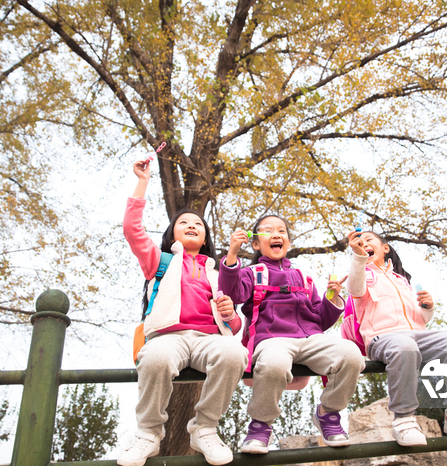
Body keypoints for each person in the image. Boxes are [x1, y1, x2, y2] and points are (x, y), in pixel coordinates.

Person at [118, 158, 248, 466]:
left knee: (233, 353)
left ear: (204, 238)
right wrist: (142, 181)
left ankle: (204, 428)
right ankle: (149, 433)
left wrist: (229, 314)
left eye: (198, 225)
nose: (192, 225)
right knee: (156, 358)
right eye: (184, 223)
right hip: (169, 335)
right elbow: (132, 229)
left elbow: (235, 322)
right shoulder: (160, 261)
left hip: (208, 339)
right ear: (172, 234)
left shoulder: (217, 272)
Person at [218, 215, 365, 454]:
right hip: (272, 338)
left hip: (310, 338)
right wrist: (232, 255)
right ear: (256, 244)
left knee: (351, 355)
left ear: (287, 241)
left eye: (281, 231)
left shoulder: (303, 277)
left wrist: (332, 298)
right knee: (274, 363)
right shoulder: (251, 273)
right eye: (267, 231)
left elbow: (320, 320)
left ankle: (328, 413)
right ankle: (260, 425)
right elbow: (231, 293)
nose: (276, 234)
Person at [343, 230, 447, 446]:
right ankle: (403, 419)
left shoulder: (402, 280)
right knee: (405, 347)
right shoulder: (362, 274)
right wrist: (358, 257)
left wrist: (428, 308)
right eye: (360, 242)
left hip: (416, 336)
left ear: (385, 248)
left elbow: (419, 319)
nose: (364, 243)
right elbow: (355, 289)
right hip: (382, 338)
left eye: (369, 240)